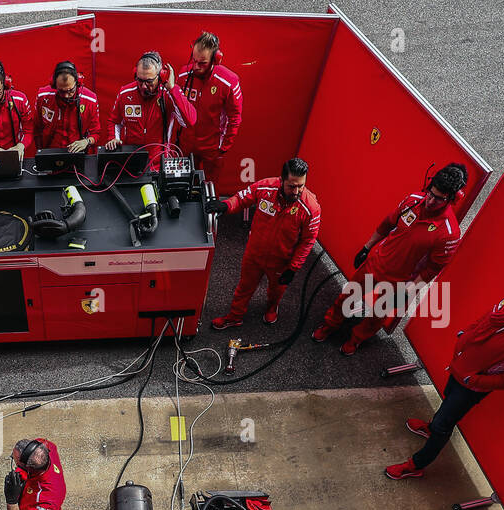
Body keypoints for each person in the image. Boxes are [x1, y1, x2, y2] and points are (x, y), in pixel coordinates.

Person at [385, 267, 504, 480]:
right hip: (461, 364)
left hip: (471, 386)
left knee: (445, 424)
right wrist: (467, 334)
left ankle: (416, 464)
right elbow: (490, 316)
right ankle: (431, 427)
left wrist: (474, 379)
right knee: (445, 404)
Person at [312, 162, 467, 354]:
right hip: (375, 264)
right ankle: (329, 325)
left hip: (399, 282)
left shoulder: (449, 233)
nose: (431, 201)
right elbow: (387, 223)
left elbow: (432, 269)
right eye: (431, 193)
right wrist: (366, 247)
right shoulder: (412, 200)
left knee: (377, 315)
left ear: (452, 199)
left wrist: (408, 291)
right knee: (347, 297)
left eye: (439, 199)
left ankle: (356, 339)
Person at [208, 158, 321, 328]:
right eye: (291, 186)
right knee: (244, 288)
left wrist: (293, 267)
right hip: (254, 254)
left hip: (281, 261)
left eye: (301, 186)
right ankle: (235, 317)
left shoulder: (311, 208)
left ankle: (272, 308)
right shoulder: (265, 187)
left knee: (276, 291)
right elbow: (241, 198)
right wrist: (226, 205)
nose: (296, 191)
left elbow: (308, 241)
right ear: (281, 180)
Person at [104, 51, 196, 170]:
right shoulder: (125, 93)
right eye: (140, 80)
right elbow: (114, 121)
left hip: (159, 165)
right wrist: (113, 138)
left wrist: (173, 89)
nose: (143, 86)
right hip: (130, 163)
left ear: (161, 76)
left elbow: (189, 121)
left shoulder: (168, 94)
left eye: (149, 81)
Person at [174, 32, 243, 185]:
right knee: (184, 185)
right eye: (194, 60)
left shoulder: (229, 81)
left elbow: (235, 117)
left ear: (215, 59)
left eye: (202, 63)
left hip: (212, 148)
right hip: (186, 144)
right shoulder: (183, 75)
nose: (196, 67)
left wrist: (223, 147)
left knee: (211, 189)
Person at [34, 60, 100, 154]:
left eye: (70, 91)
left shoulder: (90, 100)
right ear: (54, 84)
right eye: (61, 91)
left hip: (78, 154)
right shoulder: (43, 96)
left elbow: (96, 133)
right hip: (50, 153)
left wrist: (86, 142)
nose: (66, 96)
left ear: (78, 83)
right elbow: (37, 128)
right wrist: (41, 152)